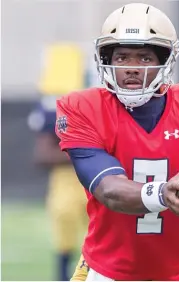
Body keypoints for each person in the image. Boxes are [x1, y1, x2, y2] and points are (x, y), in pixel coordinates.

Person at [56, 3, 179, 281]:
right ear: (106, 60)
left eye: (144, 58)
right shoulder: (82, 107)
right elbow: (109, 190)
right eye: (122, 57)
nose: (132, 68)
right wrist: (164, 194)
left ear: (165, 61)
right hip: (105, 272)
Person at [27, 43, 88, 281]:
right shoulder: (55, 108)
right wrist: (83, 150)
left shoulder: (102, 104)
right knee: (65, 238)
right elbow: (42, 155)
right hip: (67, 182)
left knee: (107, 240)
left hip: (99, 179)